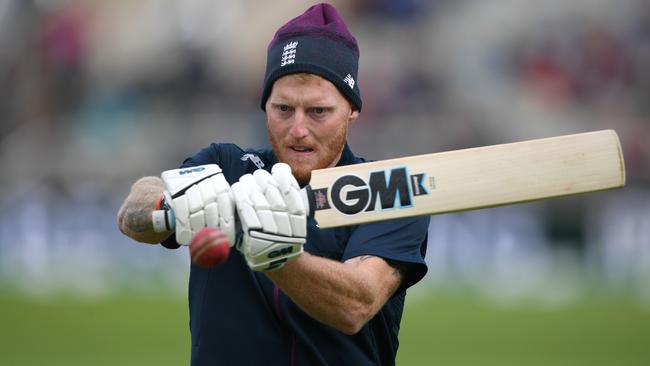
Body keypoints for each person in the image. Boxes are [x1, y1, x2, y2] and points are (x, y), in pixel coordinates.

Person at [117, 3, 429, 365]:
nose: (298, 129)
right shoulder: (225, 165)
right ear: (265, 105)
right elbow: (132, 214)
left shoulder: (388, 190)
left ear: (353, 110)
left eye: (318, 112)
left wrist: (274, 255)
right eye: (283, 109)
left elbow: (356, 304)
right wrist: (168, 209)